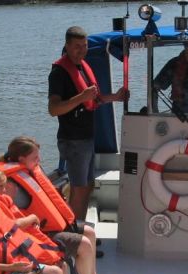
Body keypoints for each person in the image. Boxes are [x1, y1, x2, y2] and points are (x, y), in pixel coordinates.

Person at [0, 136, 118, 274]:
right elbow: (10, 219)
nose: (39, 160)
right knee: (84, 244)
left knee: (90, 232)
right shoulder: (10, 185)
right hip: (40, 234)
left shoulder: (29, 172)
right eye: (35, 158)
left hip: (54, 225)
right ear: (21, 159)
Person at [48, 26, 128, 221]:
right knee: (79, 188)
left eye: (84, 46)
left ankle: (80, 226)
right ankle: (74, 232)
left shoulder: (82, 67)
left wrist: (115, 97)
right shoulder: (59, 73)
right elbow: (53, 109)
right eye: (77, 46)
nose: (81, 50)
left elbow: (94, 100)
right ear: (67, 46)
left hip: (86, 138)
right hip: (72, 140)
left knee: (88, 186)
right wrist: (80, 97)